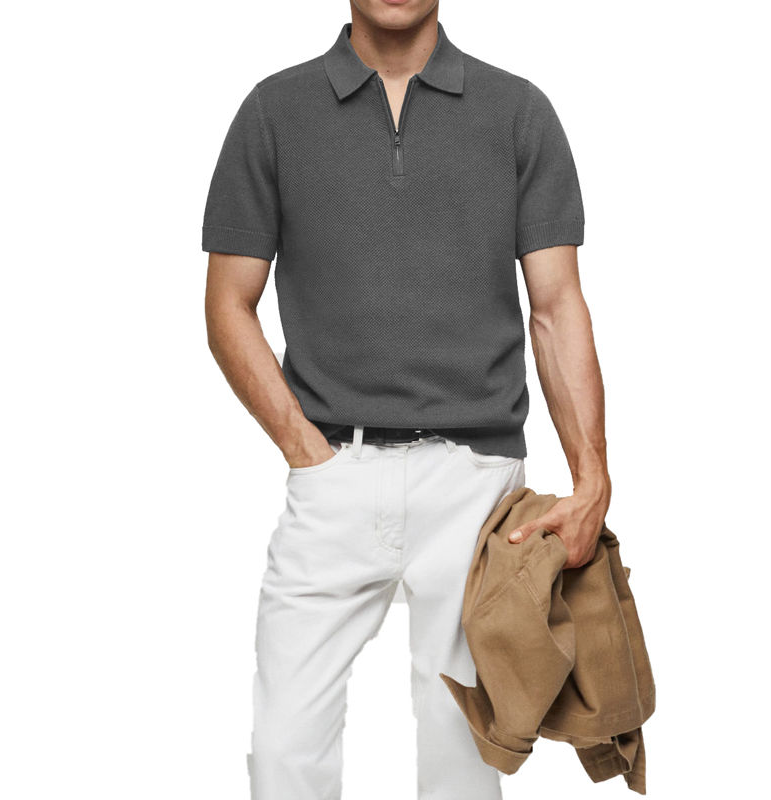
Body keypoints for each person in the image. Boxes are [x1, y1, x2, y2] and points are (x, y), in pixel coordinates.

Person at [202, 2, 611, 798]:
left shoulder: (518, 111)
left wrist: (592, 480)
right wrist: (306, 451)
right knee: (284, 752)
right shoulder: (273, 112)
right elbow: (227, 306)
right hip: (331, 472)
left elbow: (557, 306)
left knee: (464, 760)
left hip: (479, 490)